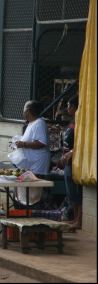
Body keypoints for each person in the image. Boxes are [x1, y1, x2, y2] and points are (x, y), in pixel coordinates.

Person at [14, 100, 51, 206]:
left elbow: (41, 142)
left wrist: (24, 144)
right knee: (27, 191)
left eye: (24, 109)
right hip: (30, 163)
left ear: (28, 111)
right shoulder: (31, 123)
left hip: (38, 164)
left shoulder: (39, 123)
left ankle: (34, 212)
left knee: (35, 192)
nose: (23, 112)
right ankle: (26, 209)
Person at [60, 96, 82, 230]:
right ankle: (74, 218)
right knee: (71, 193)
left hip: (75, 162)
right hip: (67, 162)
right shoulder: (73, 120)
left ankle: (79, 220)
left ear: (75, 107)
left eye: (69, 105)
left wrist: (72, 152)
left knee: (76, 192)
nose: (67, 108)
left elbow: (82, 142)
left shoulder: (80, 121)